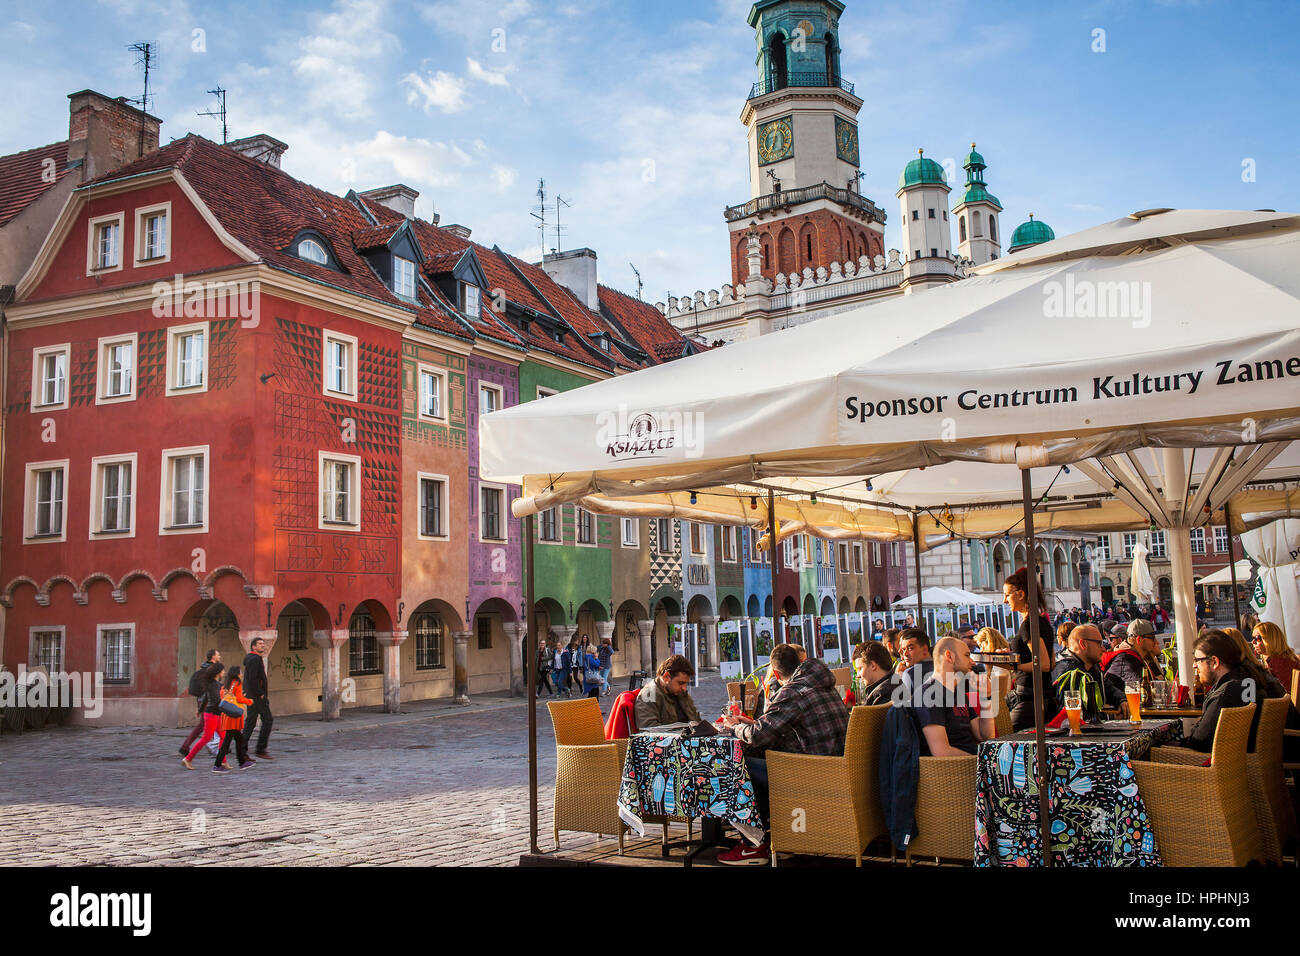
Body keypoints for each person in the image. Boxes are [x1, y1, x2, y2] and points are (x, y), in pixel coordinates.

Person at [718, 644, 848, 864]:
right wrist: (752, 724)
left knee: (736, 765)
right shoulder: (822, 684)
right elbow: (779, 727)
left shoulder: (793, 691)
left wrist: (734, 727)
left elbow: (758, 736)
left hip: (809, 776)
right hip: (834, 770)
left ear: (776, 674)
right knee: (753, 762)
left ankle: (753, 845)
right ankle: (777, 836)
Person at [1179, 630, 1266, 752]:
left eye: (1197, 660)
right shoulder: (1249, 679)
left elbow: (1199, 742)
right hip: (1245, 759)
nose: (1194, 665)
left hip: (1218, 766)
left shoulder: (1224, 695)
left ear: (1214, 662)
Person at [911, 637, 994, 756]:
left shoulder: (957, 692)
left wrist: (986, 697)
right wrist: (981, 761)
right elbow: (941, 751)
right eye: (967, 655)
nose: (973, 662)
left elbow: (985, 736)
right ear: (949, 656)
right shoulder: (929, 695)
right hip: (956, 770)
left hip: (973, 764)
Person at [1002, 567, 1057, 731]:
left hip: (1029, 700)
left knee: (1006, 741)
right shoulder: (1043, 621)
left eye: (1007, 595)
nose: (1005, 600)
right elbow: (1052, 662)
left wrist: (1012, 665)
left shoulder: (1028, 625)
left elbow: (1044, 664)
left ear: (1020, 594)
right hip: (1046, 698)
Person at [1051, 624, 1126, 722]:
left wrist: (1122, 700)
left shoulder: (1090, 666)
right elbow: (1077, 717)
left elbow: (1108, 688)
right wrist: (1112, 717)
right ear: (1083, 644)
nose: (1103, 648)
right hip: (1074, 735)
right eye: (1099, 643)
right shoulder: (1069, 673)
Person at [633, 655, 701, 729]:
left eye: (686, 683)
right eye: (681, 683)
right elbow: (649, 730)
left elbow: (697, 720)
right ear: (666, 677)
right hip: (670, 739)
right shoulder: (649, 695)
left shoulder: (681, 694)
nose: (684, 688)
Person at [213, 666, 257, 773]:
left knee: (238, 740)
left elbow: (223, 696)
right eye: (240, 672)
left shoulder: (226, 684)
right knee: (229, 742)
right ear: (236, 673)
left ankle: (242, 762)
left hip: (227, 715)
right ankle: (218, 765)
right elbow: (239, 698)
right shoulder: (237, 683)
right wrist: (250, 701)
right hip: (234, 716)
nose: (241, 673)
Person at [179, 650, 221, 757]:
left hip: (204, 700)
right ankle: (185, 748)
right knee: (203, 725)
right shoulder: (211, 670)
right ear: (213, 657)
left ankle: (220, 745)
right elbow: (210, 689)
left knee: (215, 724)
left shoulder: (205, 669)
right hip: (208, 701)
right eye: (218, 654)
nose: (219, 656)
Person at [183, 663, 224, 770]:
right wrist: (226, 704)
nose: (224, 672)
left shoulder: (215, 684)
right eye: (223, 671)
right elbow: (215, 701)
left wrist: (200, 710)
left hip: (214, 714)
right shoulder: (214, 685)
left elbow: (206, 698)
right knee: (206, 738)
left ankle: (222, 761)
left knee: (223, 736)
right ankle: (188, 759)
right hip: (212, 714)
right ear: (218, 673)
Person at [1102, 619, 1162, 688]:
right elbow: (1142, 690)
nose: (1157, 642)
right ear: (1139, 640)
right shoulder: (1126, 660)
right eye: (1152, 638)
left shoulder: (1141, 657)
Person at [241, 636, 274, 760]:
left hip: (252, 695)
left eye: (263, 644)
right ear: (253, 647)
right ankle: (260, 749)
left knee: (250, 722)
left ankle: (242, 750)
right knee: (268, 719)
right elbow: (253, 678)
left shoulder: (253, 658)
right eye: (260, 644)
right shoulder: (254, 659)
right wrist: (260, 693)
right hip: (256, 696)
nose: (263, 645)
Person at [1253, 622, 1298, 695]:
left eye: (1257, 638)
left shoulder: (1280, 661)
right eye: (1253, 638)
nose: (1253, 642)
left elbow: (1286, 693)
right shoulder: (1278, 657)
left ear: (1270, 639)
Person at [850, 640, 898, 705]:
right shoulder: (896, 684)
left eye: (860, 669)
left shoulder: (880, 694)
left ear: (873, 665)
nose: (858, 675)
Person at [896, 628, 933, 699]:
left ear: (925, 649)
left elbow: (903, 706)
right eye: (904, 649)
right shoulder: (943, 668)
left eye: (910, 648)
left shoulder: (910, 673)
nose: (905, 654)